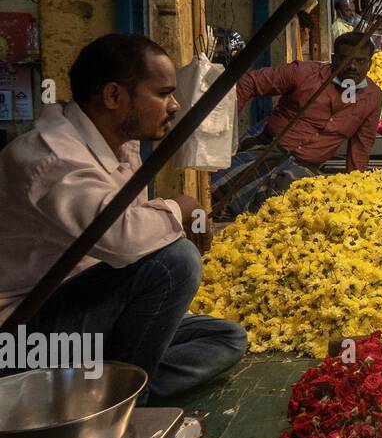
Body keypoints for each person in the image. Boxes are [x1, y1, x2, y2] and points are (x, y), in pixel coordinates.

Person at [0, 34, 246, 400]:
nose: (175, 104)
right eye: (162, 93)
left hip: (85, 313)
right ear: (114, 96)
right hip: (26, 333)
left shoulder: (118, 146)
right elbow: (122, 237)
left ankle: (102, 385)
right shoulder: (52, 161)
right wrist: (178, 207)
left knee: (226, 337)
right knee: (174, 263)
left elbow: (122, 230)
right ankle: (123, 400)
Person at [211, 31, 382, 218]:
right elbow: (250, 82)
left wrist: (355, 192)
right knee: (215, 190)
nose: (352, 66)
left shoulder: (372, 97)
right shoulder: (303, 73)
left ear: (370, 64)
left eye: (360, 61)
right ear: (333, 59)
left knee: (278, 212)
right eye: (345, 58)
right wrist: (223, 129)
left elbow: (360, 147)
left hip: (305, 166)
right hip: (267, 146)